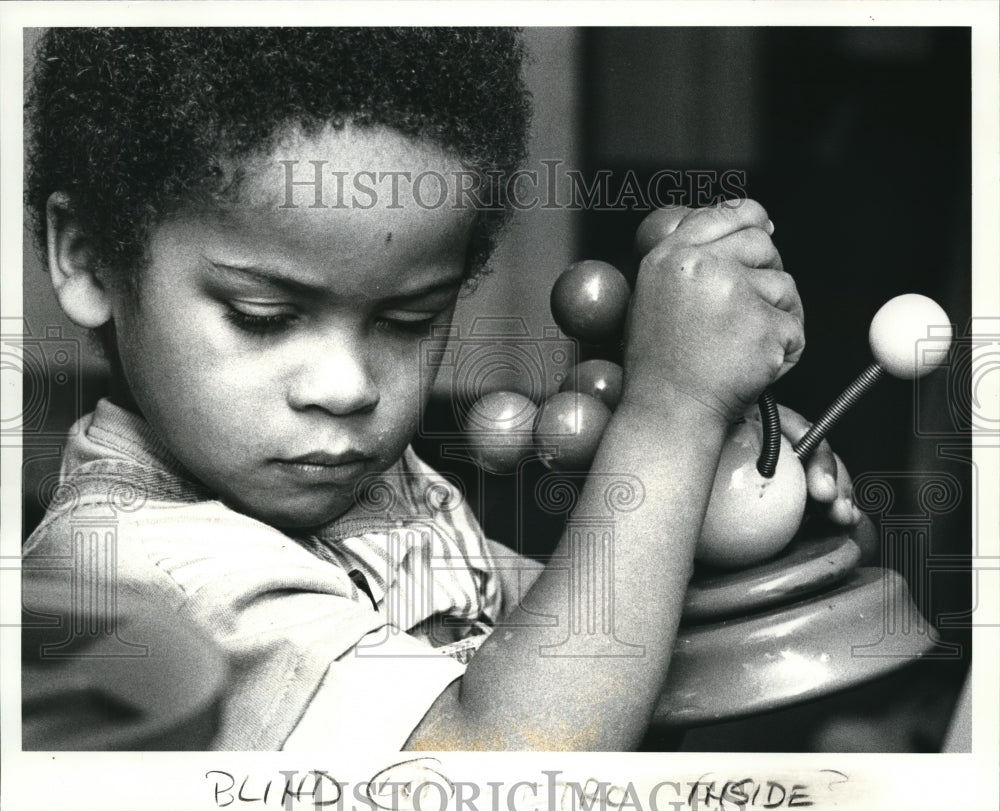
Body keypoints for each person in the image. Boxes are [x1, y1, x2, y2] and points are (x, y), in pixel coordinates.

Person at [21, 27, 863, 752]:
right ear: (89, 257)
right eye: (265, 315)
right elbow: (506, 762)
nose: (347, 387)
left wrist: (721, 502)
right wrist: (671, 415)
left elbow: (572, 657)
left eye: (407, 319)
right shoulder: (136, 576)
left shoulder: (340, 481)